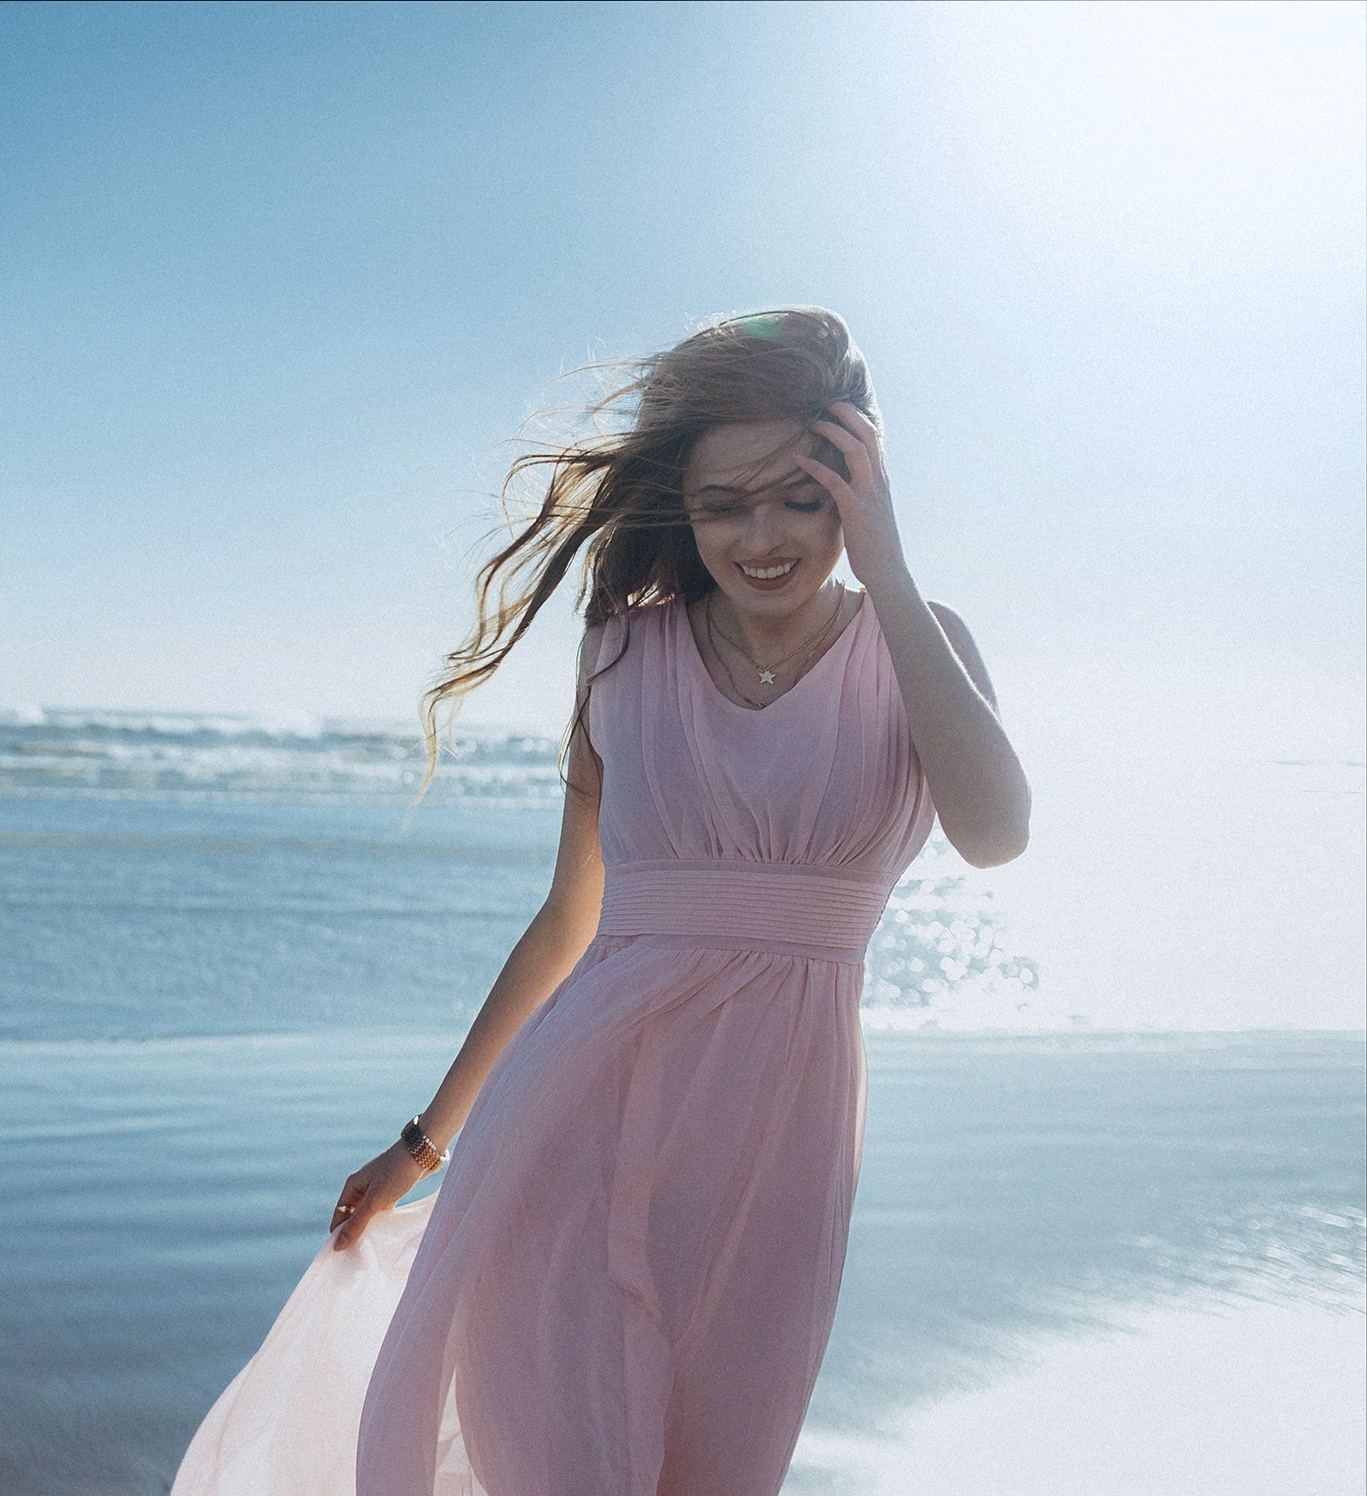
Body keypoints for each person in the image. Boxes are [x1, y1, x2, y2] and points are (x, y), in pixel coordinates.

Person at [170, 306, 1032, 1496]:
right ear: (679, 505)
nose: (761, 537)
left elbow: (994, 832)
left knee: (710, 1463)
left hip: (774, 1162)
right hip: (571, 1119)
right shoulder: (623, 650)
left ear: (858, 481)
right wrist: (426, 1139)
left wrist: (886, 569)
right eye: (721, 504)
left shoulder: (920, 642)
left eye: (801, 497)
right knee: (555, 1455)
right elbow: (568, 918)